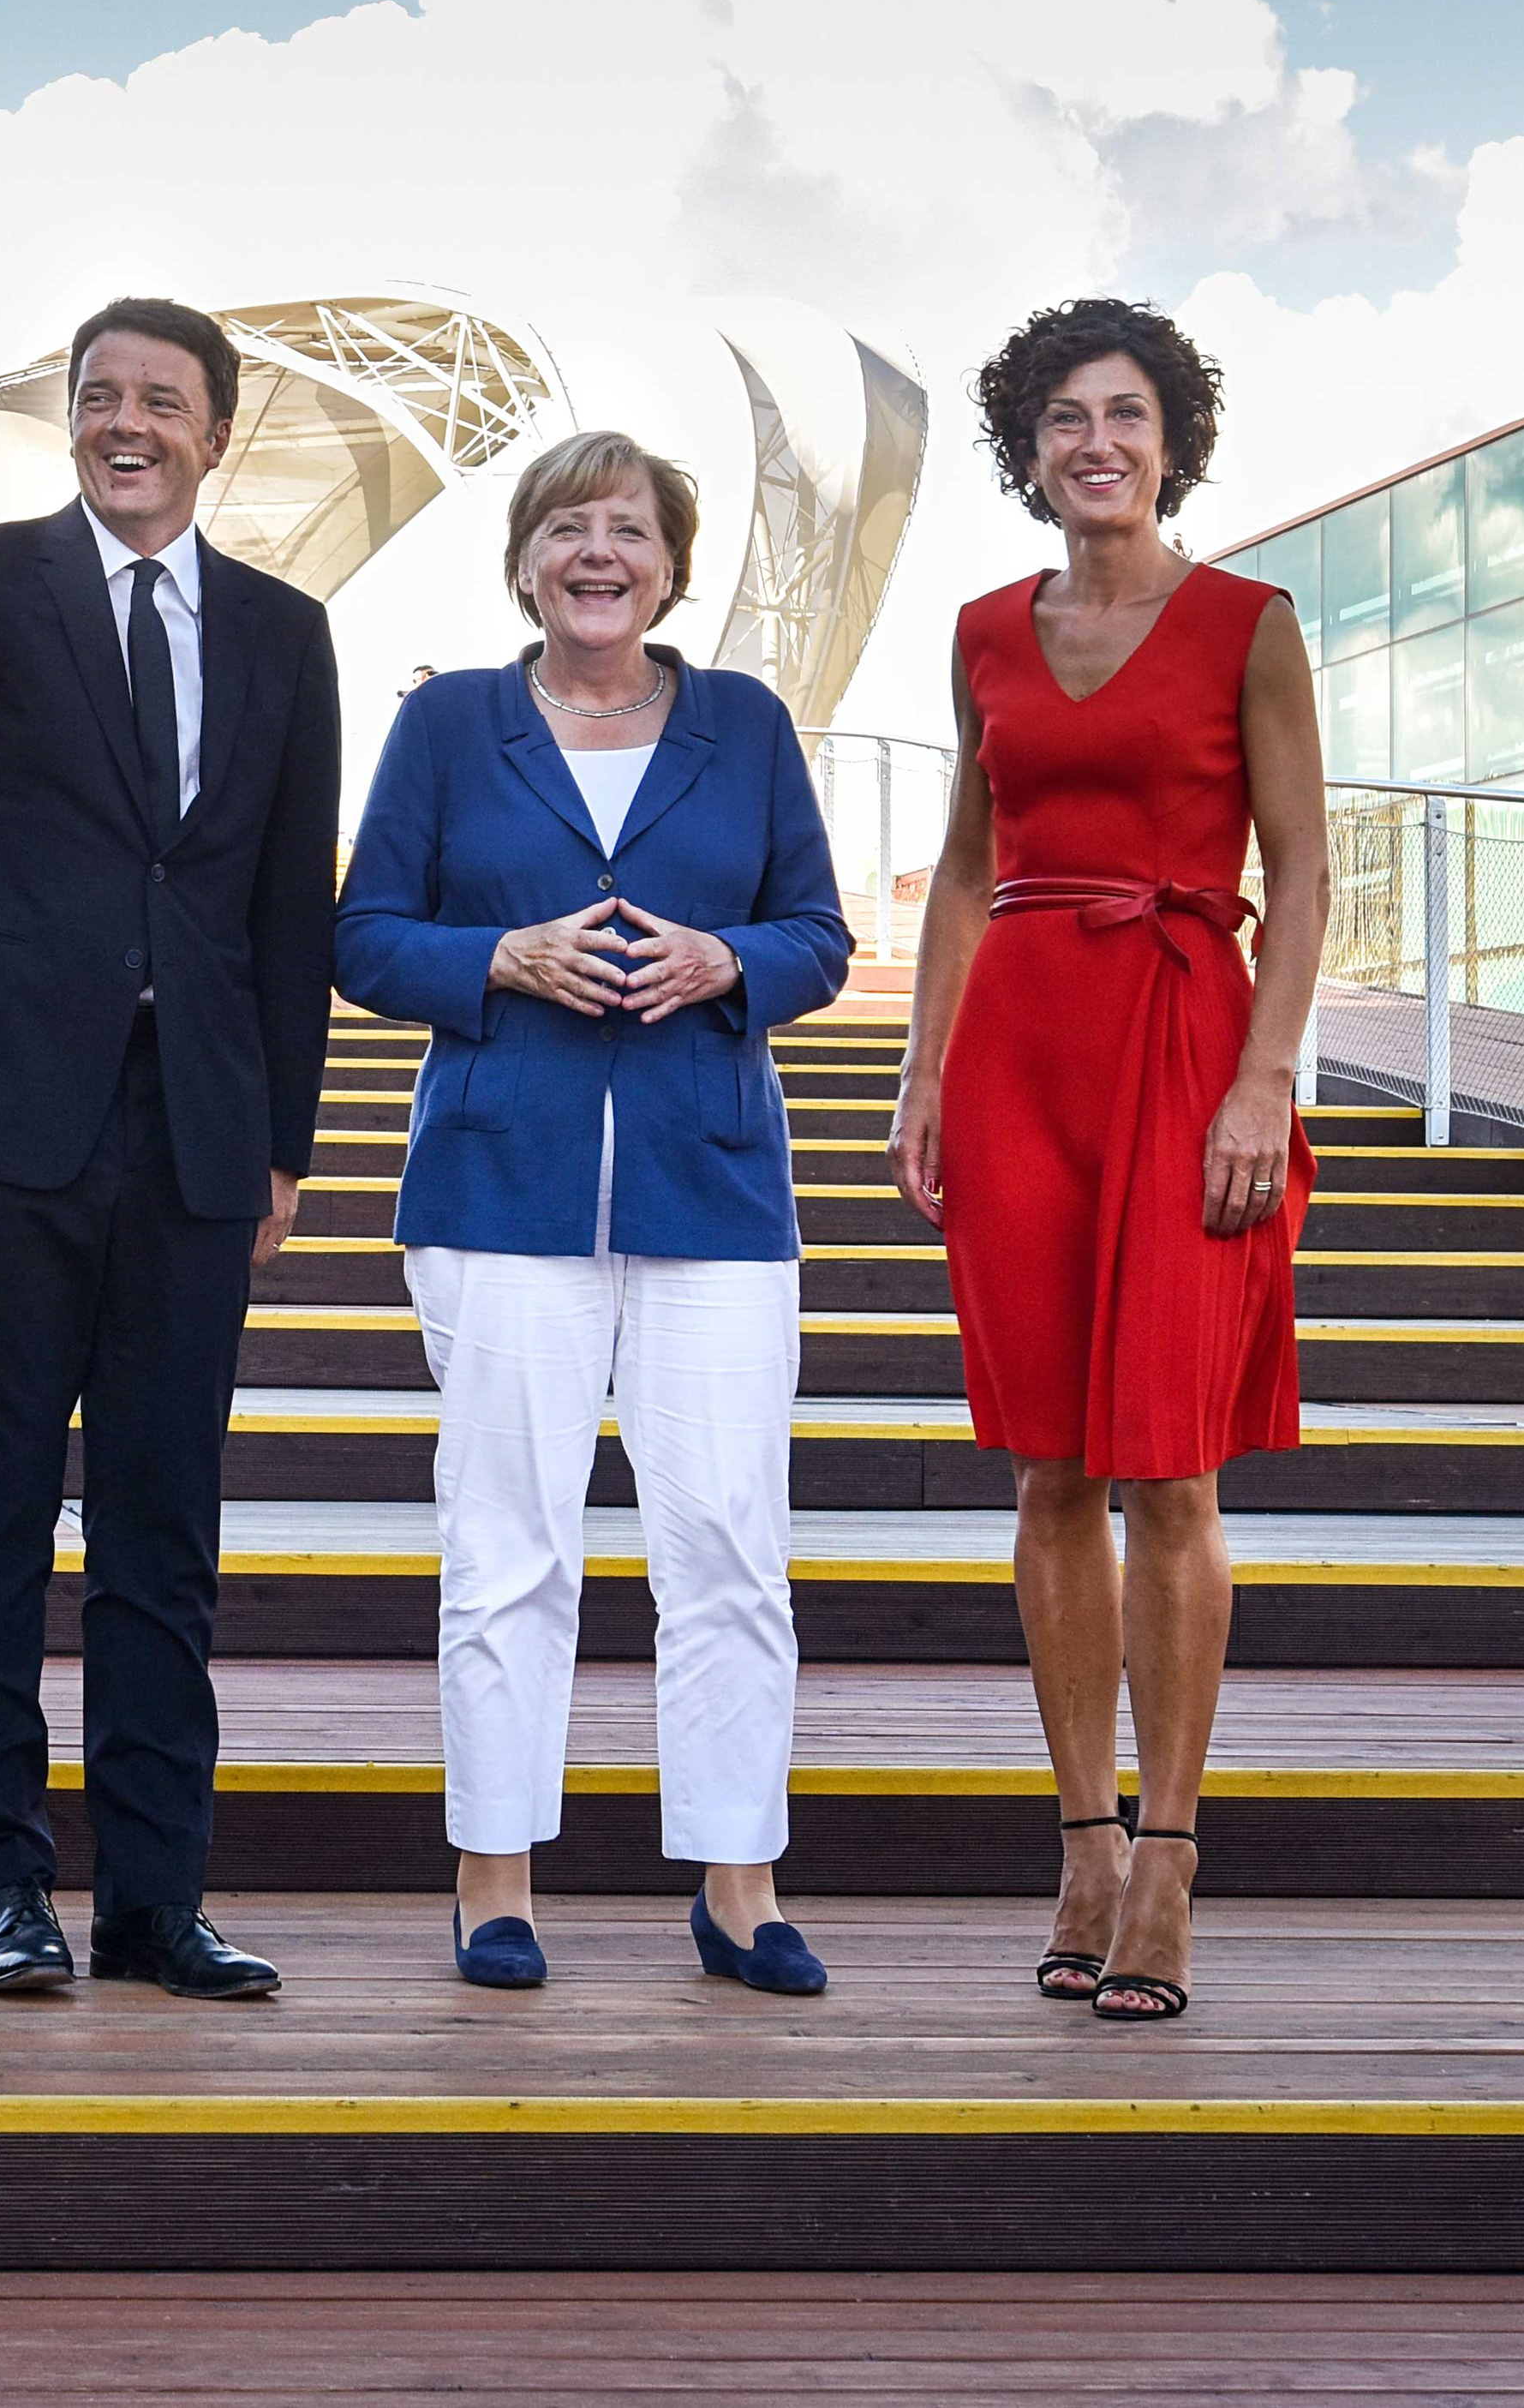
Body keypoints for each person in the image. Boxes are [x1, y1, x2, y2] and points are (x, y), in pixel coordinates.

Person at [0, 294, 340, 2002]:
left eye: (163, 402)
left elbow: (286, 898)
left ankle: (151, 1894)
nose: (129, 423)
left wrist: (284, 1129)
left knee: (162, 1530)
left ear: (218, 432)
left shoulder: (284, 631)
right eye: (102, 396)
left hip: (196, 1136)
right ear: (71, 417)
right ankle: (4, 1882)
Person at [338, 430, 852, 1993]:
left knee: (726, 1544)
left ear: (673, 565)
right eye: (568, 526)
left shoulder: (746, 726)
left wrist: (729, 960)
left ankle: (739, 1884)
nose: (598, 552)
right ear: (525, 559)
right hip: (501, 1186)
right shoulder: (448, 722)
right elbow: (364, 935)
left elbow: (818, 935)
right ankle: (497, 1881)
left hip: (713, 1188)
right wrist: (502, 956)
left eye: (629, 527)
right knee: (505, 1544)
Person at [887, 299, 1327, 2026]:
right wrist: (925, 1067)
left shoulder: (1247, 624)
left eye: (1125, 414)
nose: (1096, 441)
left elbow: (1298, 868)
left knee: (1174, 1473)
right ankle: (1078, 1836)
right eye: (1065, 416)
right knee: (1052, 1468)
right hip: (1022, 1060)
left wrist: (1263, 1082)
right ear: (1031, 446)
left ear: (1171, 438)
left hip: (1184, 1036)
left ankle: (1169, 1856)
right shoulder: (988, 631)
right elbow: (966, 869)